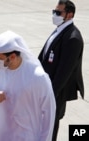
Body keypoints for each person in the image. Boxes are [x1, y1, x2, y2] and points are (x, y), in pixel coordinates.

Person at [0, 31, 56, 141]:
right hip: (0, 136)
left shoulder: (37, 77)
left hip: (27, 137)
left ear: (12, 56)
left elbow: (49, 114)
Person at [38, 1, 84, 141]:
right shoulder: (60, 29)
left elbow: (64, 73)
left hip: (55, 92)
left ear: (70, 15)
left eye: (58, 13)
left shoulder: (73, 38)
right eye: (54, 11)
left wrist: (50, 95)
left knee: (50, 126)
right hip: (45, 87)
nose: (54, 15)